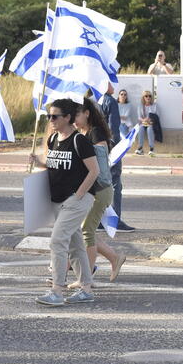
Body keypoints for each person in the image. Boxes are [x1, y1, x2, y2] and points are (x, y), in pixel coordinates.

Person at [36, 99, 98, 307]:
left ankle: (57, 290)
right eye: (49, 116)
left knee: (57, 241)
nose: (51, 120)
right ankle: (86, 288)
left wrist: (79, 195)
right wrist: (40, 163)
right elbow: (57, 165)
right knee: (75, 244)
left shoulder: (79, 140)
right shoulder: (53, 138)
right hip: (58, 198)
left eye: (55, 116)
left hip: (76, 199)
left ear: (68, 118)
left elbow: (94, 171)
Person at [75, 98, 126, 282]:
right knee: (85, 230)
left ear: (87, 113)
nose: (74, 120)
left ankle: (86, 278)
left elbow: (101, 158)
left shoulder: (95, 133)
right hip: (93, 190)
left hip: (99, 189)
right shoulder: (83, 132)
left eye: (77, 115)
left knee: (86, 231)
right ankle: (113, 258)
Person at [99, 85, 133, 232]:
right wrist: (116, 148)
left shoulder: (91, 100)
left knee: (98, 185)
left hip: (94, 147)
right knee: (115, 184)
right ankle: (115, 221)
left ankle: (98, 220)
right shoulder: (110, 101)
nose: (113, 86)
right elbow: (113, 128)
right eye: (110, 82)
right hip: (109, 147)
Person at [134, 91, 157, 156]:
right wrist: (144, 120)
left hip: (151, 123)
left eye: (150, 96)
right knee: (140, 128)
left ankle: (152, 148)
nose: (148, 97)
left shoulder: (154, 105)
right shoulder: (140, 106)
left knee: (149, 129)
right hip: (143, 123)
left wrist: (150, 120)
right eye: (146, 96)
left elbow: (157, 115)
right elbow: (139, 117)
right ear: (143, 97)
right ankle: (140, 148)